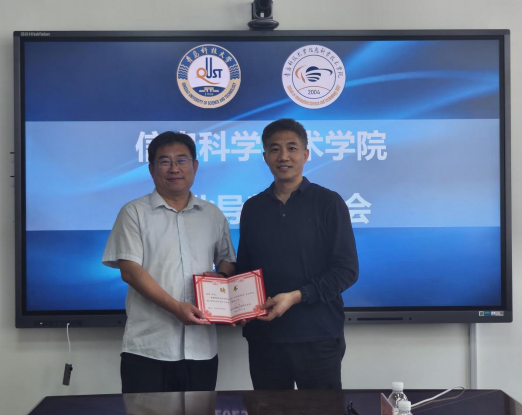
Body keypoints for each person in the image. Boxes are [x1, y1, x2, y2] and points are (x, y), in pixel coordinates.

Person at [102, 131, 235, 393]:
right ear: (151, 169)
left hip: (202, 349)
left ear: (195, 166)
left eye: (182, 160)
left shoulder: (212, 214)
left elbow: (227, 260)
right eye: (164, 161)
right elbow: (130, 271)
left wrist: (219, 279)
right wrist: (176, 308)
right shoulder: (134, 212)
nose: (174, 168)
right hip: (149, 348)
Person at [236, 118, 359, 390]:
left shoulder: (329, 203)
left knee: (321, 409)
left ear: (305, 154)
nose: (283, 156)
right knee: (268, 409)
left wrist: (295, 296)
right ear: (265, 157)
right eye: (275, 149)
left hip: (318, 336)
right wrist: (231, 301)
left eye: (292, 148)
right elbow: (245, 269)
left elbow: (347, 270)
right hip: (265, 338)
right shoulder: (253, 208)